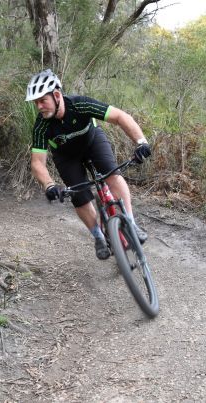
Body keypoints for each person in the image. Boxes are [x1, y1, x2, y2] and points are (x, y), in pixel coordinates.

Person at [26, 69, 152, 260]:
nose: (39, 106)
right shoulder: (41, 126)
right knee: (79, 196)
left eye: (42, 100)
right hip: (67, 157)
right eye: (36, 102)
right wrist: (49, 185)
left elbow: (120, 117)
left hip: (92, 142)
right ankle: (98, 236)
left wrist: (141, 142)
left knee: (112, 175)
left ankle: (131, 224)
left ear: (57, 95)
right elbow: (37, 162)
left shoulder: (80, 104)